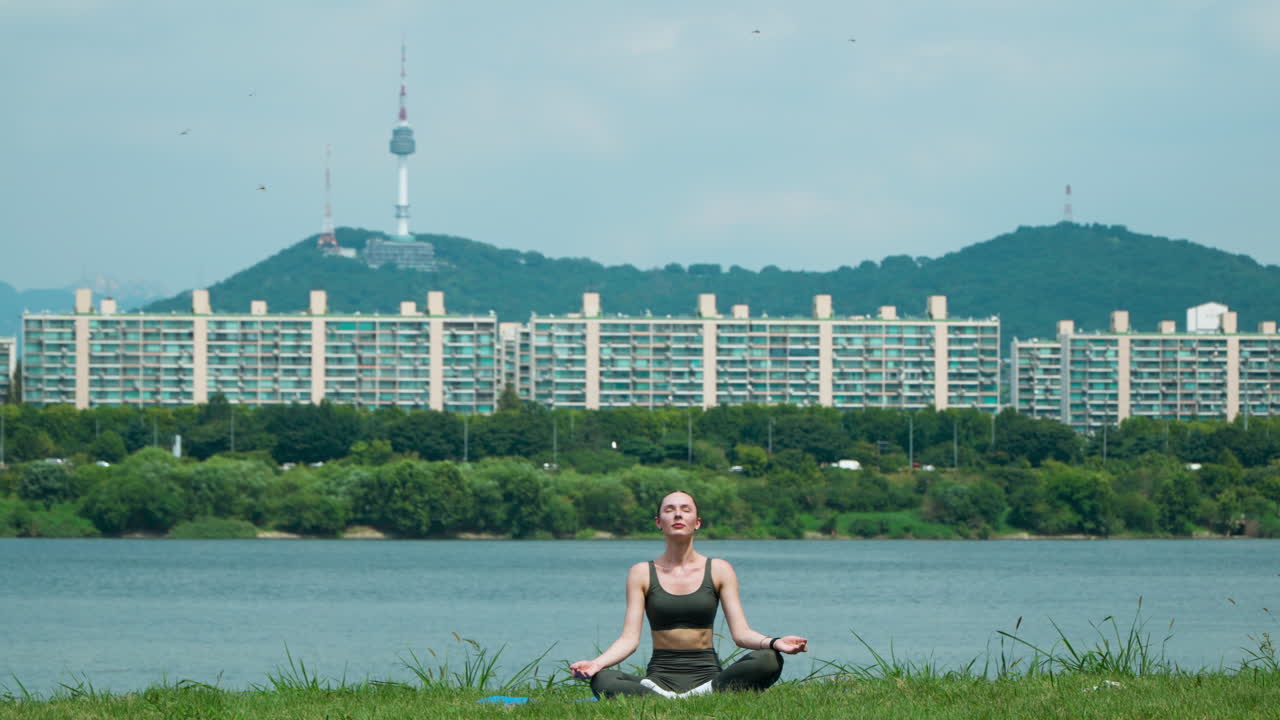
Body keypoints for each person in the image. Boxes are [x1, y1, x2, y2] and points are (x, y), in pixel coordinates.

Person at [570, 491, 808, 699]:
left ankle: (694, 696)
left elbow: (741, 634)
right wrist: (596, 664)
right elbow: (629, 640)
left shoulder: (719, 569)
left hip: (709, 677)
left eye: (685, 510)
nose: (677, 515)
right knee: (602, 680)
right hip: (659, 681)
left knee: (769, 660)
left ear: (697, 522)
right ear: (658, 522)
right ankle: (671, 697)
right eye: (669, 510)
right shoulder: (641, 573)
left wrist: (777, 642)